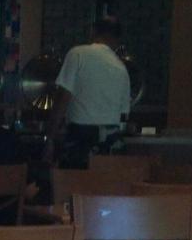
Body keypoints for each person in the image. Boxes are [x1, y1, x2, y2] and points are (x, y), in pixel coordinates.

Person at [48, 16, 131, 168]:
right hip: (111, 142)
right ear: (117, 40)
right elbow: (123, 115)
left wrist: (50, 139)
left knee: (72, 181)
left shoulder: (77, 54)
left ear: (93, 31)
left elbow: (63, 97)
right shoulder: (122, 68)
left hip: (79, 138)